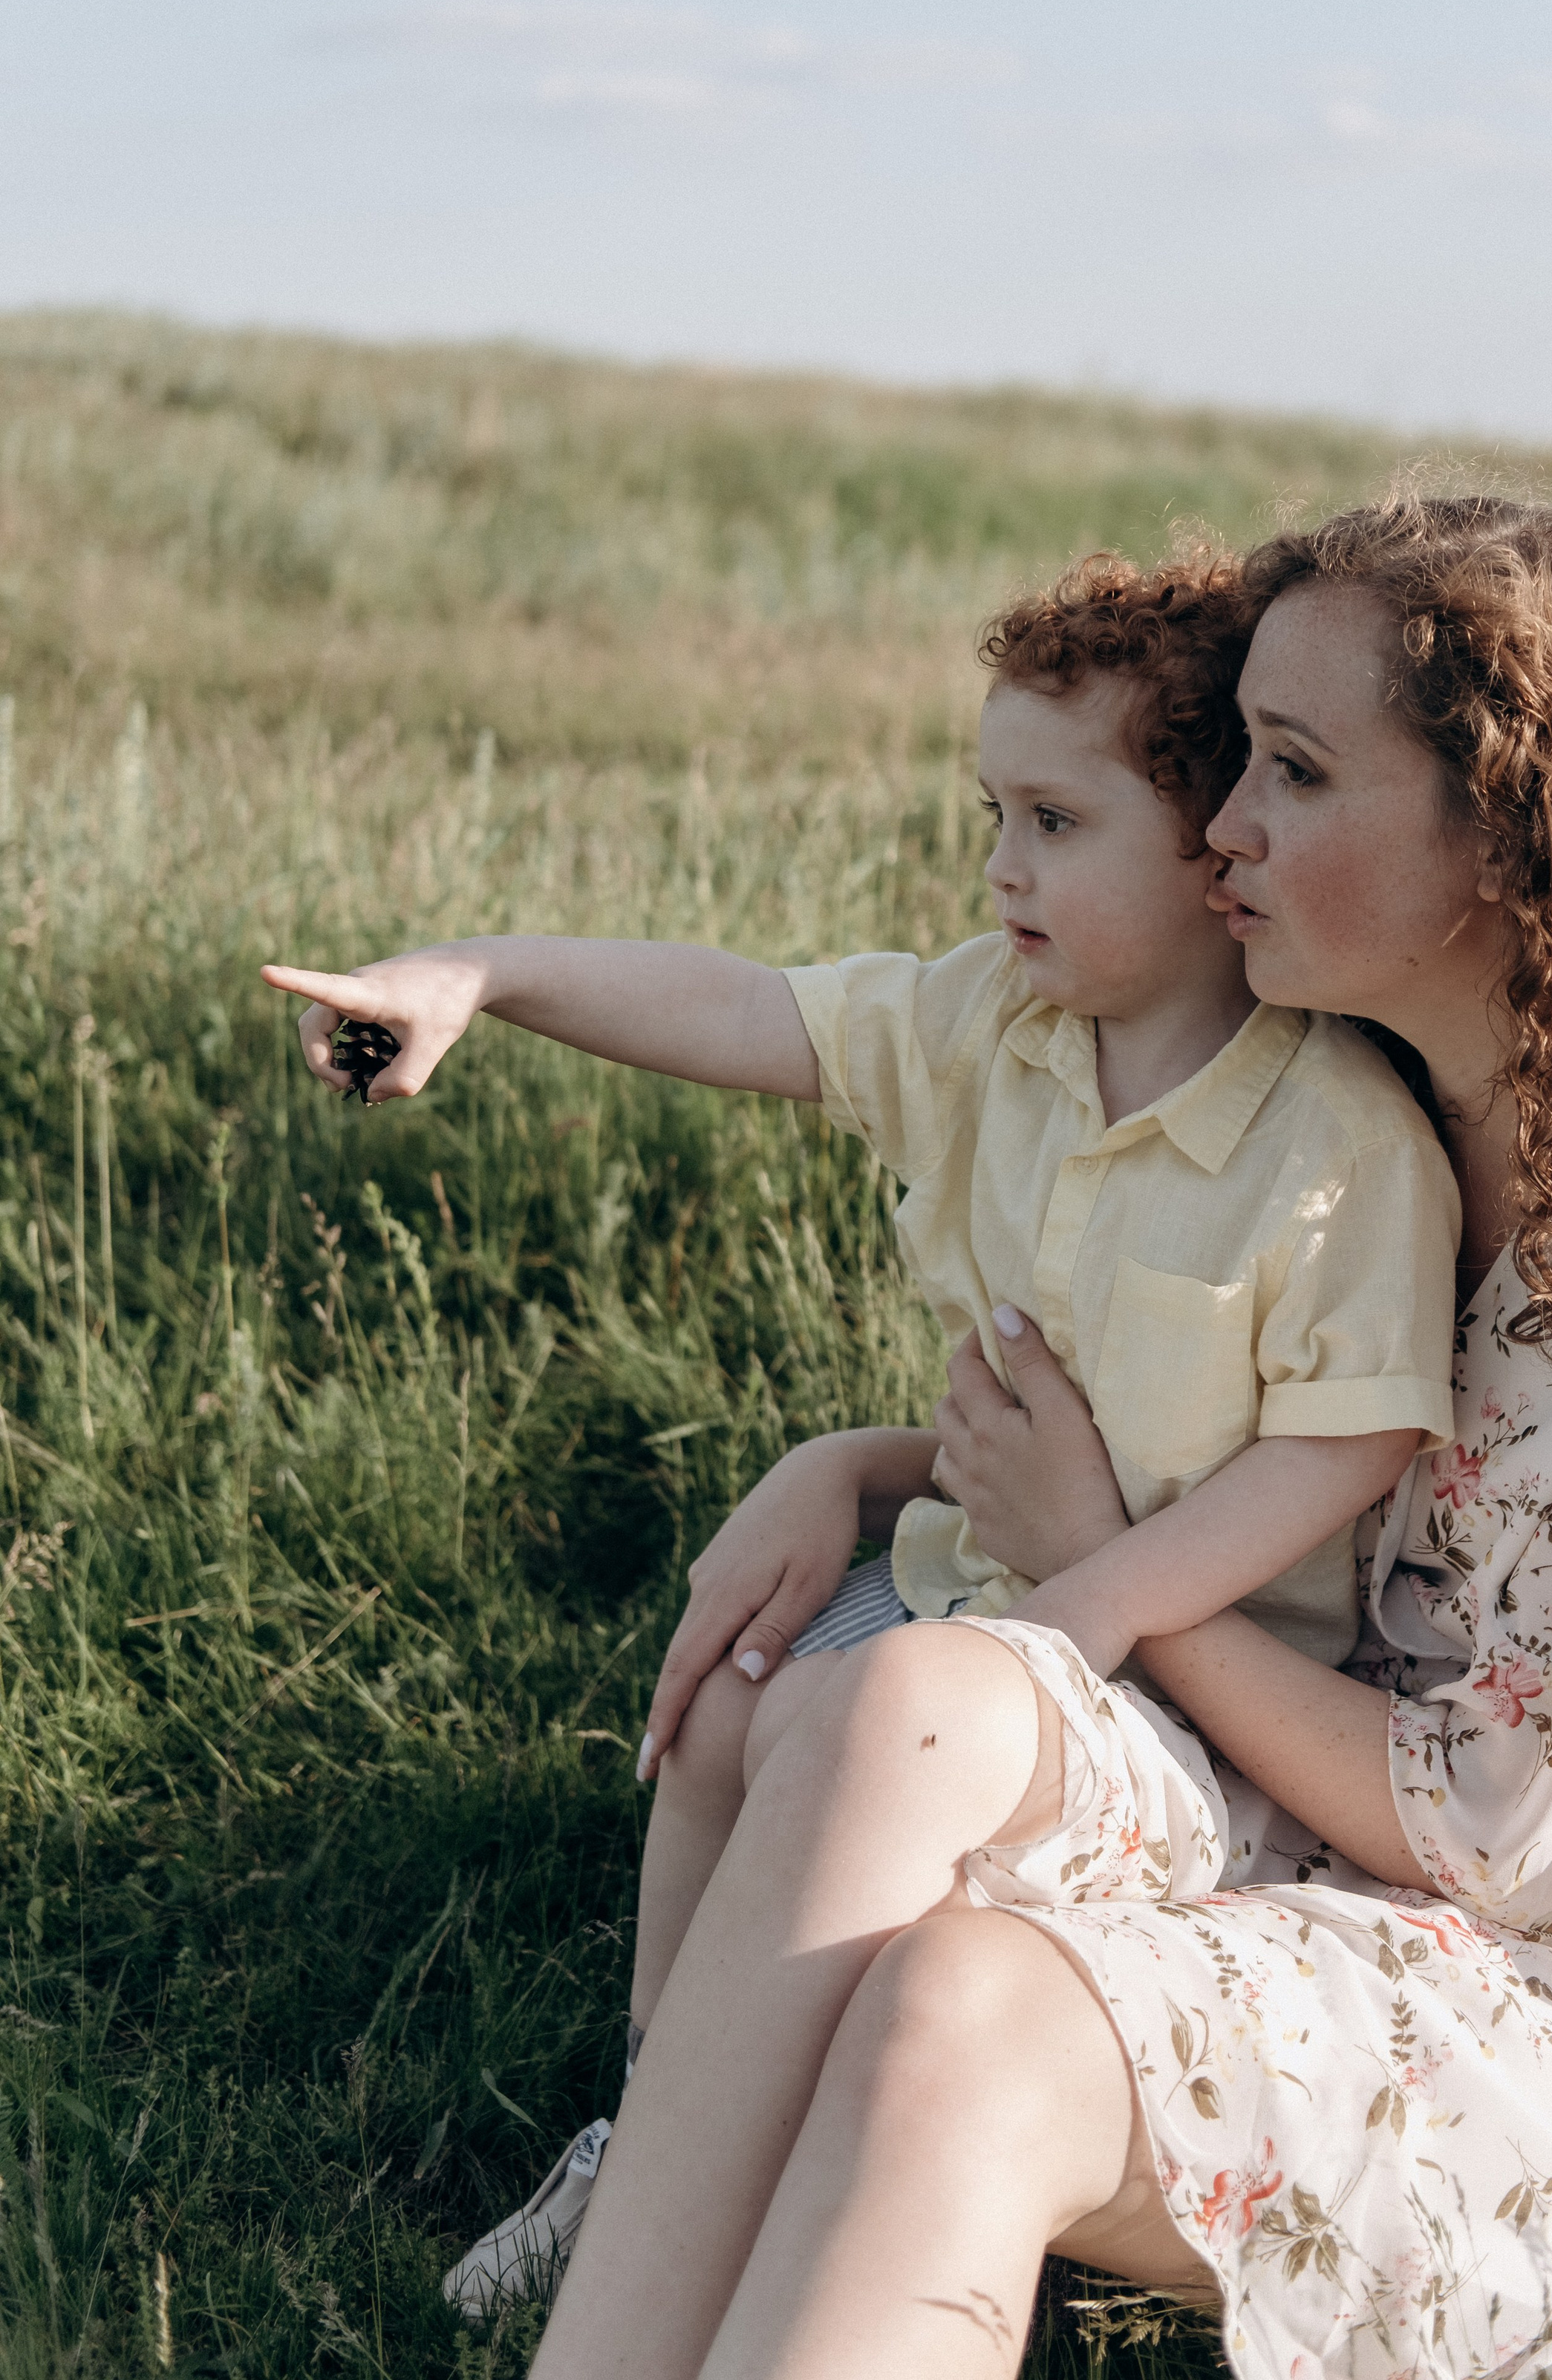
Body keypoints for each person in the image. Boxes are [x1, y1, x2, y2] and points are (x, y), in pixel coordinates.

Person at [523, 494, 1552, 2380]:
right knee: (878, 1705)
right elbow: (1200, 1457)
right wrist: (852, 1468)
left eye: (1294, 771)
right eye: (1231, 755)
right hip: (1289, 1823)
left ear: (1502, 829)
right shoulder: (1337, 1117)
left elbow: (1518, 1838)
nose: (1221, 826)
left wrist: (1113, 1577)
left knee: (961, 2015)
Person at [259, 549, 1461, 2306]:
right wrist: (481, 975)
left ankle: (803, 2156)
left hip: (1178, 1699)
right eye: (994, 811)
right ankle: (661, 2118)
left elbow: (1339, 1447)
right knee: (736, 1688)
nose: (999, 865)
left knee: (842, 1717)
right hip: (973, 1603)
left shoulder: (1335, 1144)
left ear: (1214, 857)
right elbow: (752, 1009)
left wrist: (1094, 1604)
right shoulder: (998, 1021)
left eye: (1055, 822)